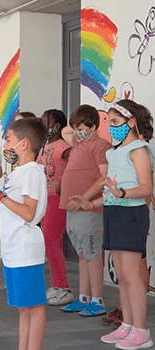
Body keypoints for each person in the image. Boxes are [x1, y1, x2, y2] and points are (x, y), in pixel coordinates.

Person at [69, 100, 154, 348]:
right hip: (114, 214)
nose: (112, 128)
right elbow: (107, 186)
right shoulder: (114, 152)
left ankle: (141, 331)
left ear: (132, 123)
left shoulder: (139, 150)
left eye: (115, 122)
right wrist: (88, 202)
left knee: (131, 276)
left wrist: (123, 194)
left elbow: (146, 188)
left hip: (132, 216)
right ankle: (127, 324)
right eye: (111, 123)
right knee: (121, 276)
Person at [0, 117, 48, 350]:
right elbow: (4, 210)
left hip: (26, 248)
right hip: (13, 249)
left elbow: (29, 213)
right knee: (23, 307)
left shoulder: (32, 172)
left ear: (23, 144)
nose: (4, 145)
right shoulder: (16, 173)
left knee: (33, 307)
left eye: (8, 140)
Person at [59, 105, 111, 317]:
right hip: (73, 208)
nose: (76, 132)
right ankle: (84, 297)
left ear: (93, 127)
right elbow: (65, 131)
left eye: (81, 128)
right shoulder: (77, 142)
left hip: (89, 210)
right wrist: (78, 128)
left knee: (92, 255)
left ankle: (97, 300)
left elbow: (104, 178)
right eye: (75, 128)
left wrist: (87, 198)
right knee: (82, 255)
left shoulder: (100, 146)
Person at [37, 109, 74, 306]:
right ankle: (57, 284)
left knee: (51, 240)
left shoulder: (62, 146)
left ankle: (64, 286)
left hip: (57, 199)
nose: (42, 126)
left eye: (45, 122)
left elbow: (76, 159)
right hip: (45, 198)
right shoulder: (44, 146)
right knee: (51, 243)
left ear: (57, 126)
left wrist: (65, 182)